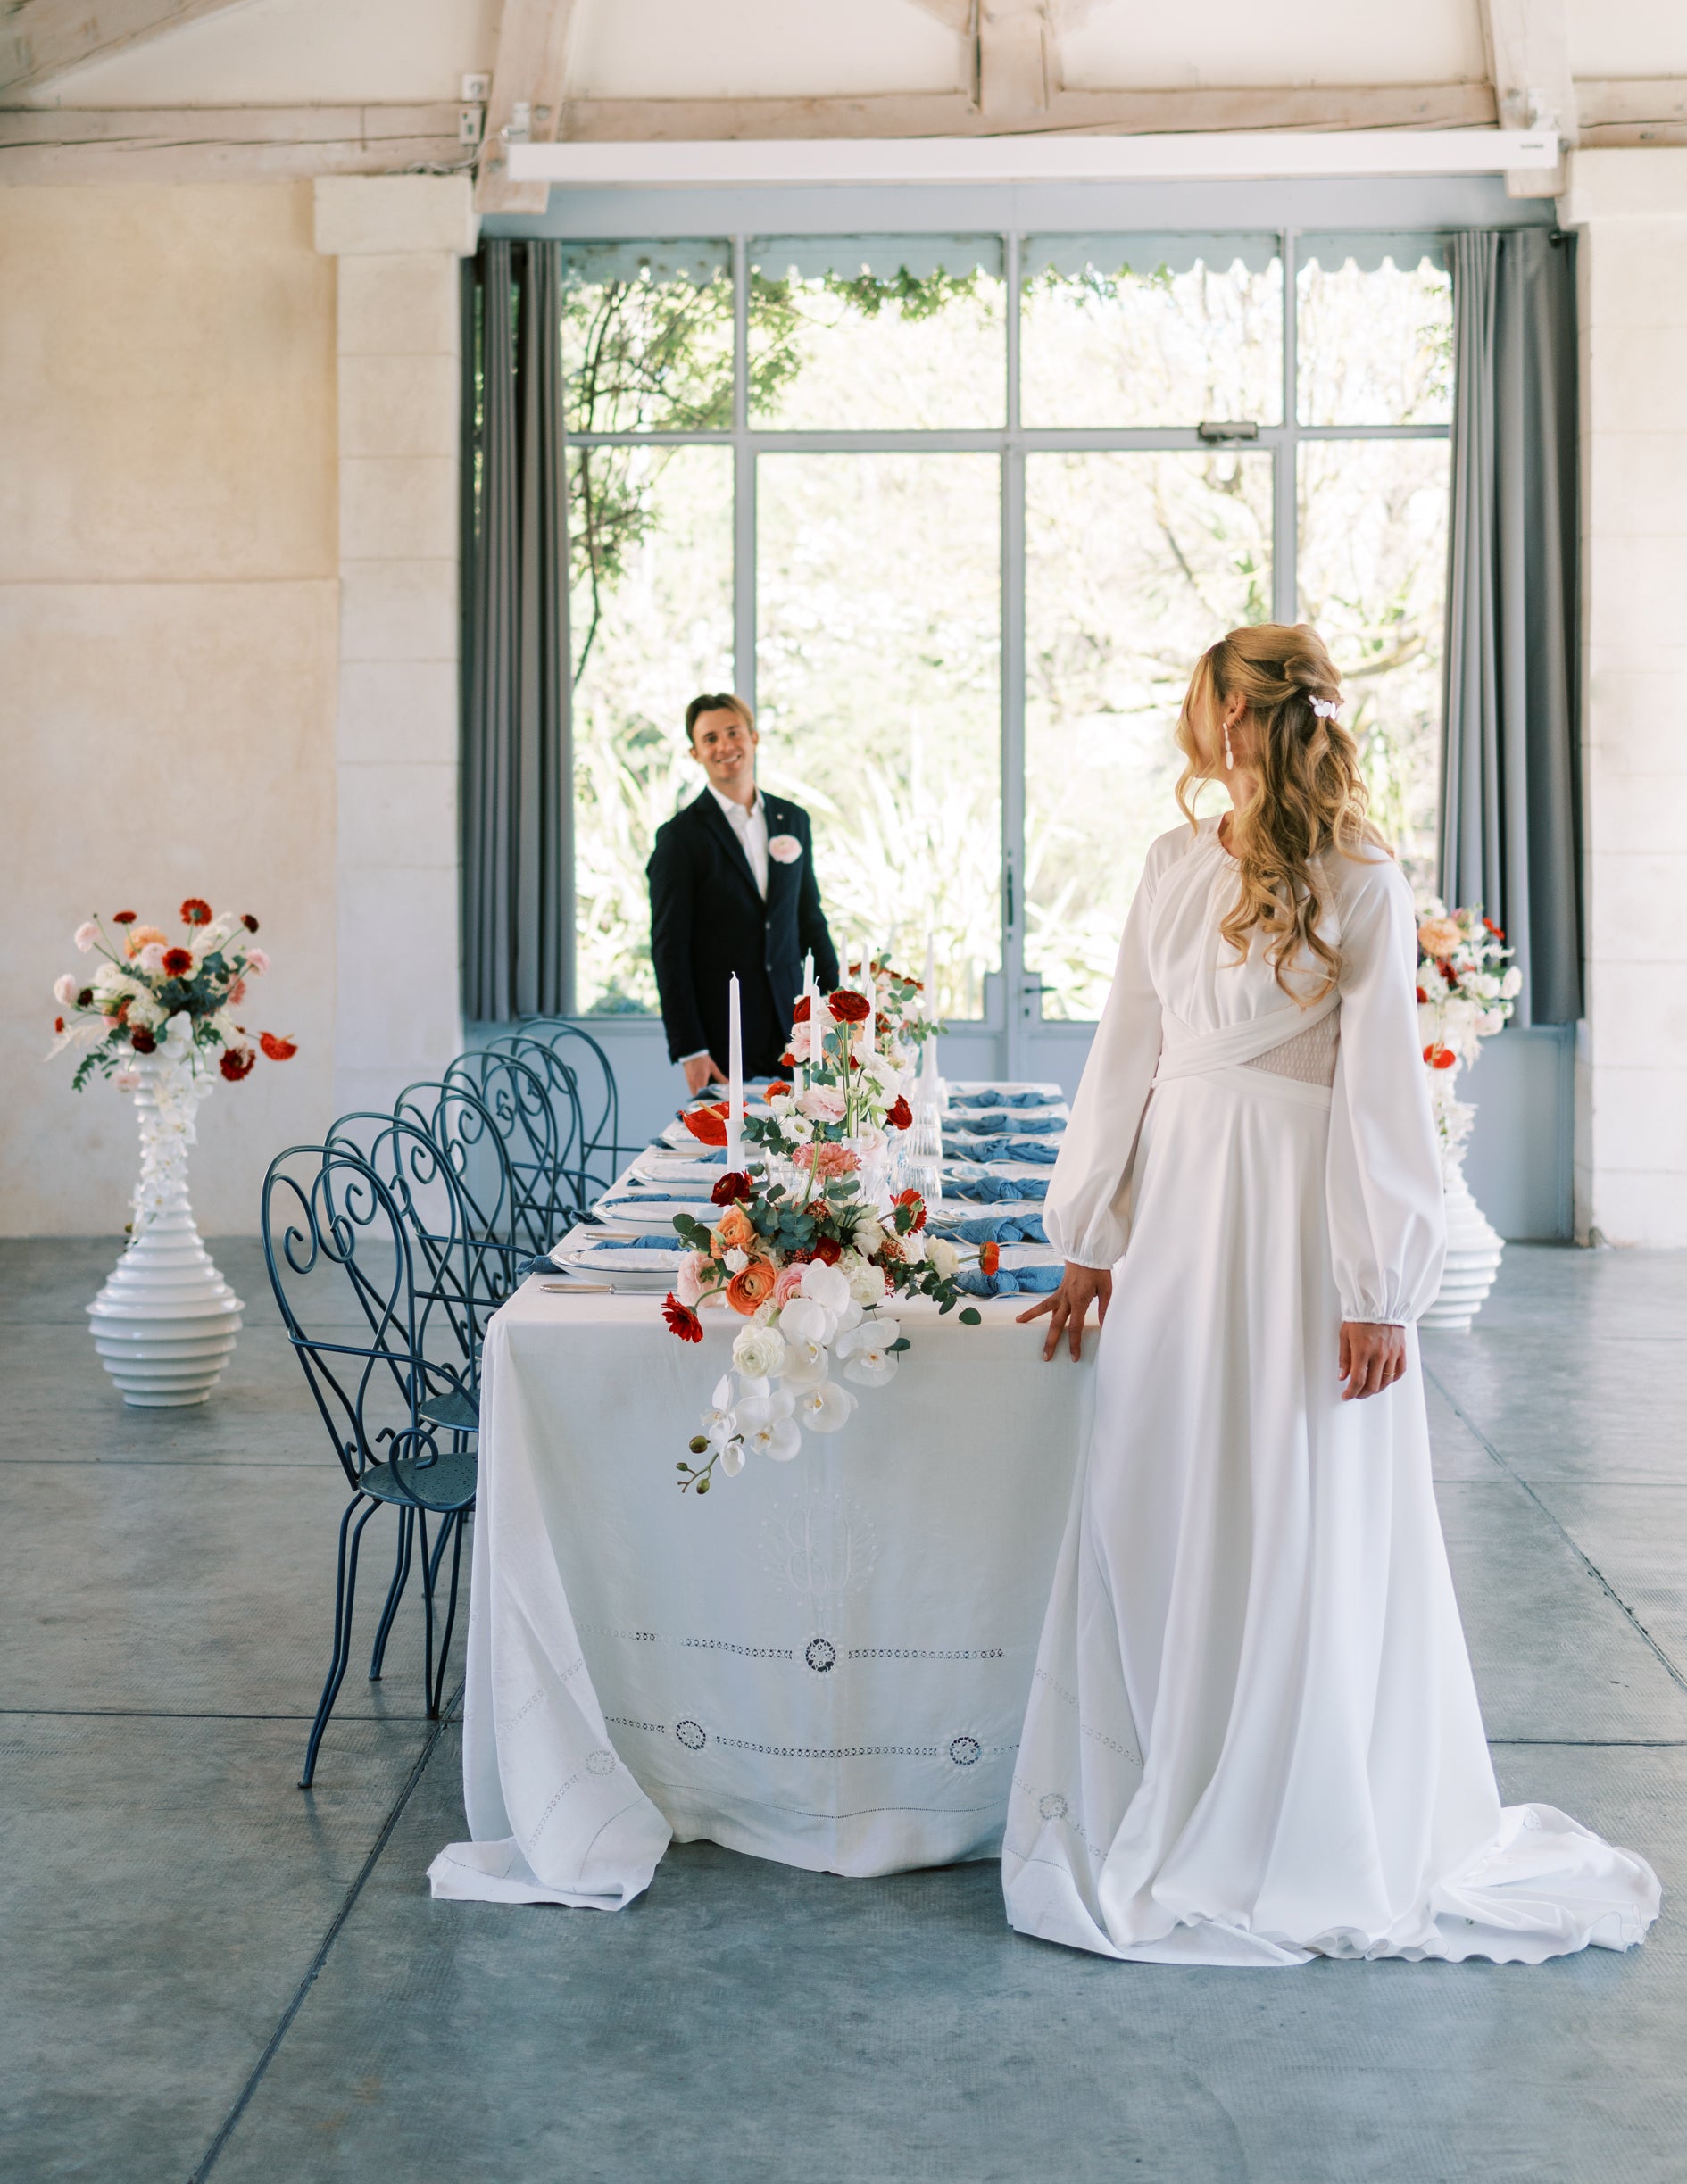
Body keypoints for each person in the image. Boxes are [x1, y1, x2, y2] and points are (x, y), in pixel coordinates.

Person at [1002, 624, 1659, 1966]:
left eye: (1204, 700)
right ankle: (1169, 1766)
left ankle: (1294, 1800)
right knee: (1163, 1473)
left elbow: (1380, 1097)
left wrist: (1377, 1286)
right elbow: (1123, 1050)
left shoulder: (1359, 873)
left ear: (1241, 717)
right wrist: (1090, 1234)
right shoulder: (1169, 863)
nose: (1193, 721)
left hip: (1296, 1218)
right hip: (1182, 1210)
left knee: (1295, 1476)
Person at [648, 693, 839, 1095]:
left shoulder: (794, 820)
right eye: (710, 739)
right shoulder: (679, 839)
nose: (724, 746)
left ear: (753, 737)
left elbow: (810, 921)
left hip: (798, 1030)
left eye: (733, 733)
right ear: (695, 752)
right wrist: (691, 1049)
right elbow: (669, 950)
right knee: (733, 1155)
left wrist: (837, 1015)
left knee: (812, 1151)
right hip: (723, 1036)